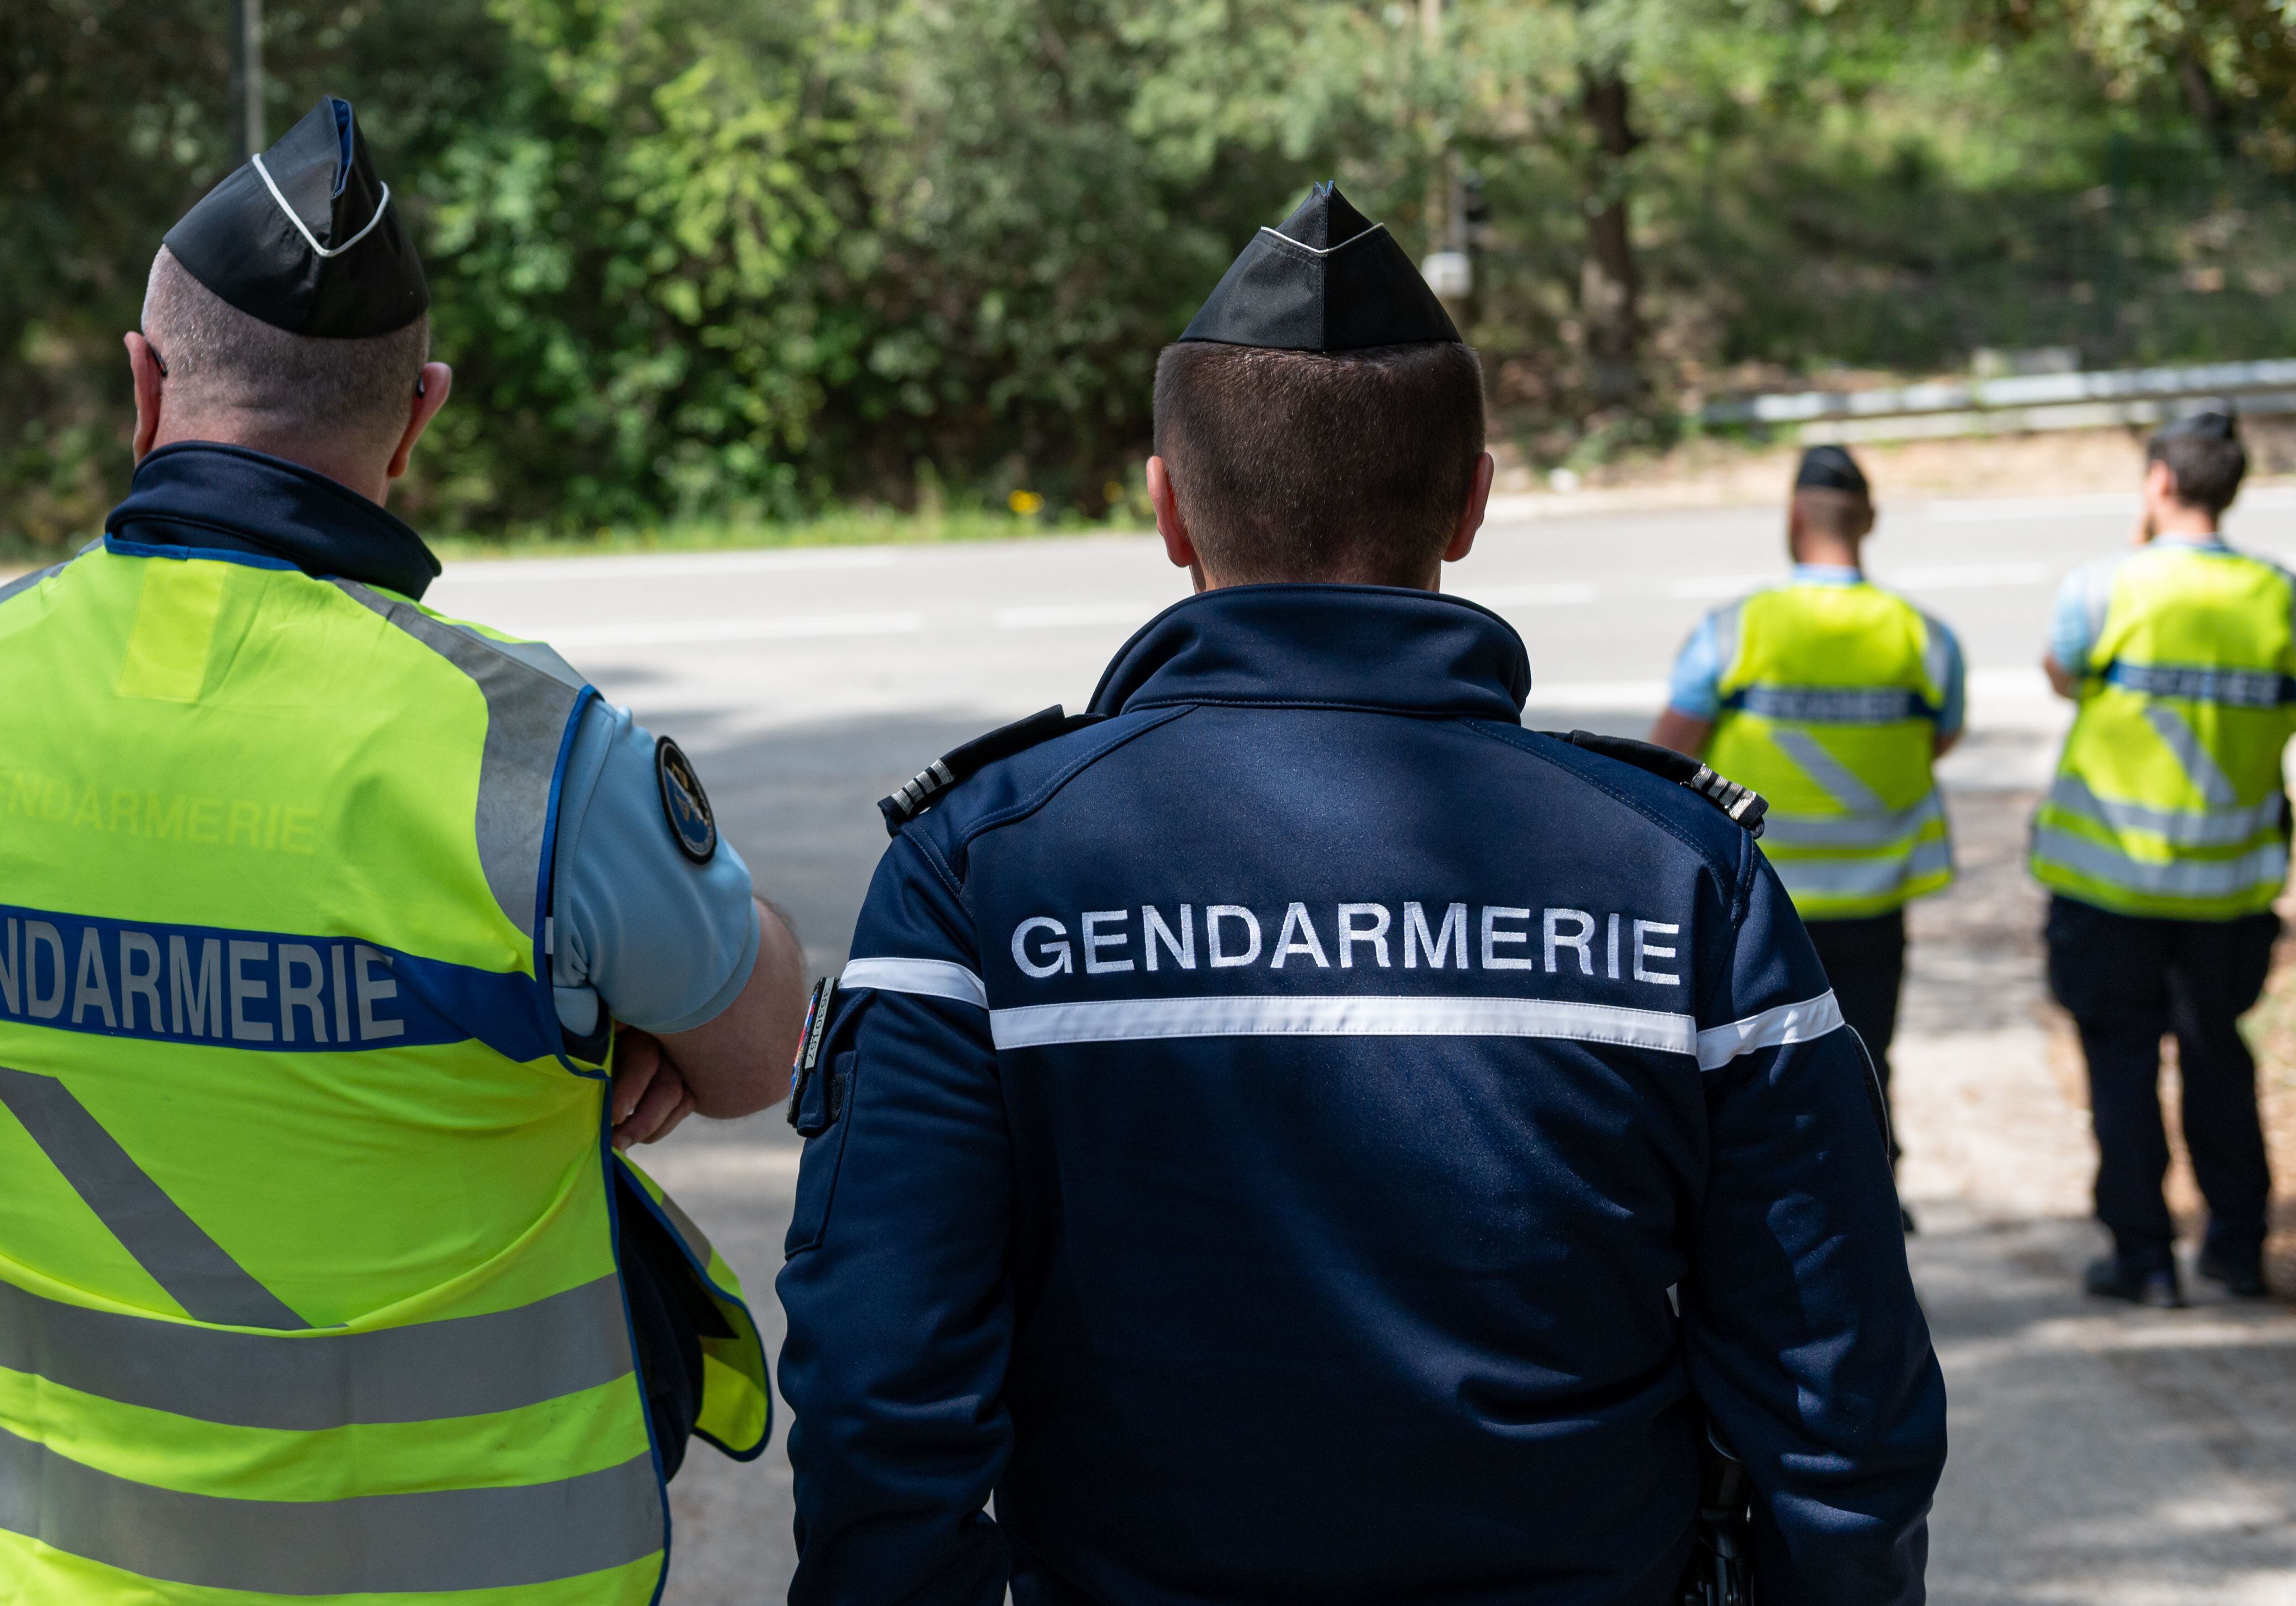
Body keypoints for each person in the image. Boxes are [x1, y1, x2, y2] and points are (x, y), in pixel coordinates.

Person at [778, 183, 1945, 1606]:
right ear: (1470, 504)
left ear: (1166, 507)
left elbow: (880, 1405)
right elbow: (1840, 1404)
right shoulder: (1682, 876)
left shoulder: (983, 867)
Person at [0, 97, 806, 1606]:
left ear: (142, 388)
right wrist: (623, 1018)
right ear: (419, 413)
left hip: (36, 1560)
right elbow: (754, 1051)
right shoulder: (528, 748)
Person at [1650, 444, 1964, 1223]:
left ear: (1794, 517)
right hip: (1874, 895)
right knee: (1864, 1051)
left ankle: (1775, 1209)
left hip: (1760, 898)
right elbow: (1940, 738)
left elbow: (1668, 752)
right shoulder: (1924, 636)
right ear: (1872, 521)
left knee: (1755, 1061)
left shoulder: (1736, 630)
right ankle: (1874, 1198)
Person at [2032, 405, 2285, 1306]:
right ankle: (2237, 1249)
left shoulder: (2106, 587)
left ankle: (2143, 1261)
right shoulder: (2279, 597)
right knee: (2221, 1062)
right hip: (2227, 896)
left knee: (2123, 1068)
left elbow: (2061, 675)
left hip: (2110, 890)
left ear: (2158, 482)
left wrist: (2138, 541)